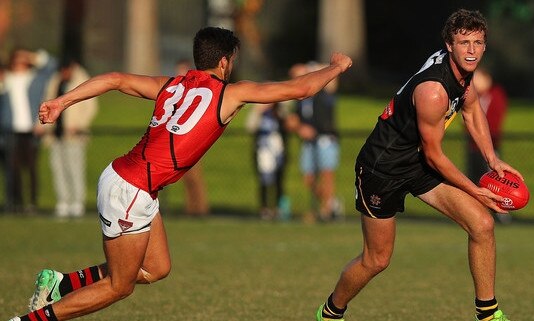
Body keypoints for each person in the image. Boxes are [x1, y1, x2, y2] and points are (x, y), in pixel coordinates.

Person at [7, 26, 351, 321]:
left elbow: (115, 79)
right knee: (119, 286)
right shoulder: (231, 94)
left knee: (156, 268)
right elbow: (301, 89)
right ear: (224, 62)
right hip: (131, 190)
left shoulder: (172, 84)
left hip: (129, 180)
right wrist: (335, 67)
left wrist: (61, 102)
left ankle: (59, 284)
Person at [315, 9, 520, 321]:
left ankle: (488, 314)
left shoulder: (465, 74)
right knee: (377, 260)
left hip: (417, 163)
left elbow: (472, 108)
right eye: (464, 43)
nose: (471, 50)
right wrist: (476, 190)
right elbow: (435, 156)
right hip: (381, 169)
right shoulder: (434, 91)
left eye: (478, 43)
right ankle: (330, 312)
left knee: (482, 224)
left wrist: (492, 159)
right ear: (448, 45)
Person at [39, 58, 98, 218]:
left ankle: (77, 202)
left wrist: (79, 124)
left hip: (74, 134)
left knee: (75, 168)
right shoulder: (55, 81)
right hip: (55, 134)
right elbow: (47, 100)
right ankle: (63, 201)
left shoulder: (82, 80)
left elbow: (91, 107)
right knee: (58, 168)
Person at [0, 48, 57, 214]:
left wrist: (32, 57)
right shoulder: (7, 79)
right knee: (12, 168)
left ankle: (32, 203)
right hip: (10, 128)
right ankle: (13, 202)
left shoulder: (35, 78)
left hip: (32, 129)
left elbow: (52, 65)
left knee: (31, 168)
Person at [287, 62, 341, 223]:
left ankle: (326, 209)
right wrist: (299, 128)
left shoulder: (324, 91)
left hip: (325, 138)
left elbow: (333, 80)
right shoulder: (300, 99)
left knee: (326, 174)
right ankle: (330, 202)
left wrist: (315, 69)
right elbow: (294, 120)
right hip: (309, 142)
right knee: (308, 178)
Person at [467, 67, 510, 224]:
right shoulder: (474, 95)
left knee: (496, 181)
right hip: (472, 146)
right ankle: (473, 213)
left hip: (490, 145)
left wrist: (484, 137)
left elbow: (493, 119)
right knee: (473, 180)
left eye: (477, 78)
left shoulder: (496, 94)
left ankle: (502, 215)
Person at [174, 58, 210, 217]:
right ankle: (190, 208)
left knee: (195, 176)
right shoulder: (176, 90)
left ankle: (200, 209)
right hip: (179, 139)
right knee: (185, 177)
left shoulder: (197, 90)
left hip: (194, 139)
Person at [246, 101, 289, 220]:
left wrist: (278, 107)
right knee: (264, 181)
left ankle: (279, 208)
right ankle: (264, 208)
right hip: (263, 149)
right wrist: (258, 110)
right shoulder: (259, 112)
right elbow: (250, 127)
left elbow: (287, 124)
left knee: (279, 180)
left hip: (278, 151)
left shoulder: (279, 111)